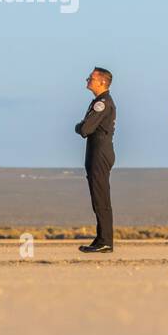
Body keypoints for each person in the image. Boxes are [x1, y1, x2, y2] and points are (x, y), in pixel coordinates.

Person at [75, 67, 117, 253]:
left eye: (91, 78)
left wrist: (79, 126)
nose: (87, 80)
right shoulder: (99, 102)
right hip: (96, 153)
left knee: (101, 199)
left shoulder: (103, 103)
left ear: (101, 82)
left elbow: (86, 129)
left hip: (100, 154)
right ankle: (101, 239)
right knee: (98, 198)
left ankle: (105, 241)